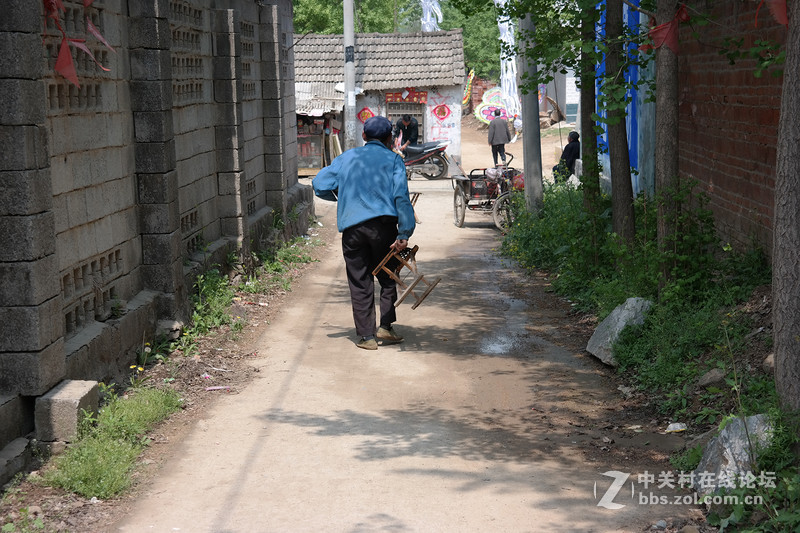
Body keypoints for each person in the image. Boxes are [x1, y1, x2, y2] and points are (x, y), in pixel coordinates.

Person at [312, 116, 416, 351]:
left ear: (364, 136)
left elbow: (319, 184)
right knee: (389, 275)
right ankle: (386, 327)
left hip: (353, 228)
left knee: (359, 280)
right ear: (390, 138)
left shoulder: (347, 157)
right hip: (384, 228)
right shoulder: (393, 160)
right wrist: (404, 232)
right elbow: (401, 197)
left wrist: (341, 196)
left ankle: (366, 337)